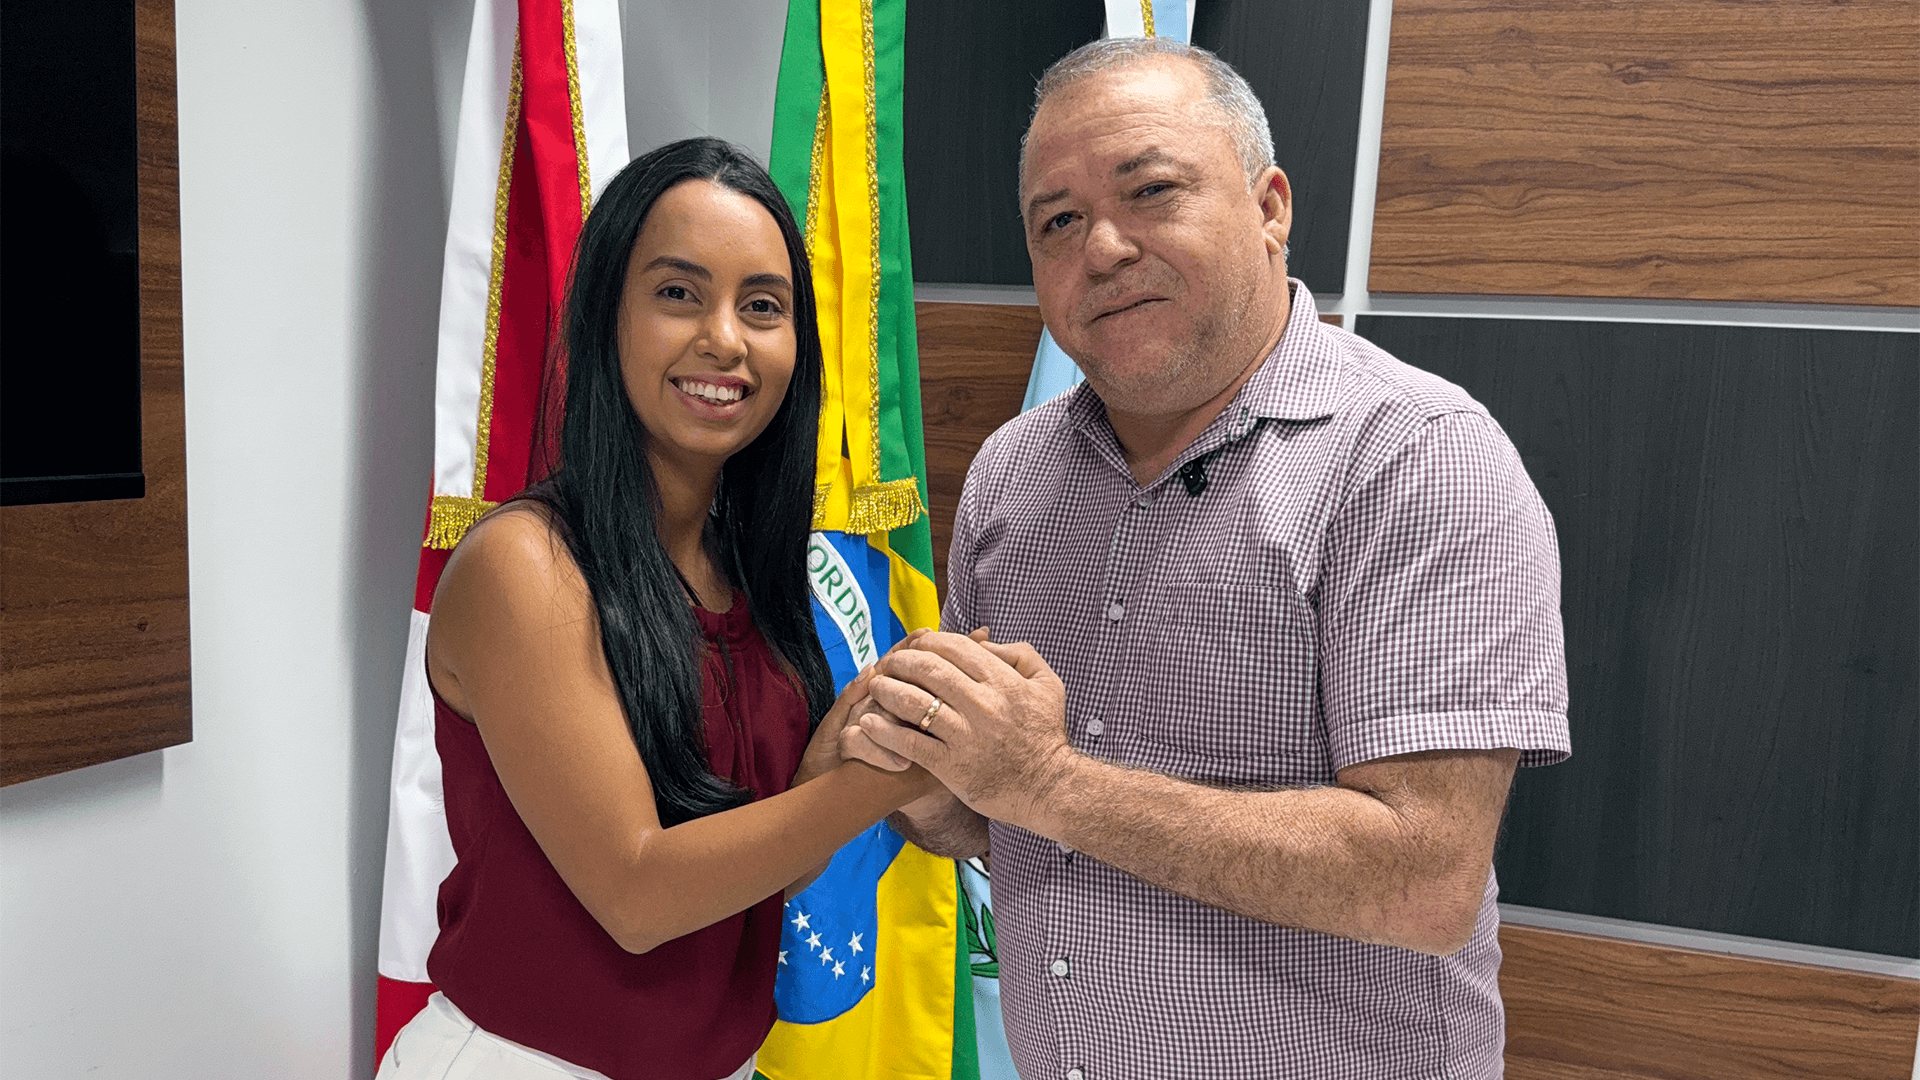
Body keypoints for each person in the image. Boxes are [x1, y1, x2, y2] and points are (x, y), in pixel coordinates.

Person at [839, 38, 1571, 1078]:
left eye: (1151, 191)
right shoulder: (1011, 471)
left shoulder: (1416, 458)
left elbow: (1423, 881)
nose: (1102, 249)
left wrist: (1048, 781)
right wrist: (929, 777)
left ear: (1270, 207)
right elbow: (999, 819)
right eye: (1057, 223)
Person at [376, 138, 934, 1080]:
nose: (725, 339)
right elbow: (639, 895)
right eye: (679, 293)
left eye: (763, 306)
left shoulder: (750, 569)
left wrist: (847, 752)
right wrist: (892, 778)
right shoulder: (526, 565)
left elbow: (758, 870)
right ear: (606, 315)